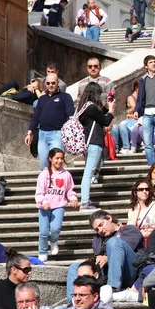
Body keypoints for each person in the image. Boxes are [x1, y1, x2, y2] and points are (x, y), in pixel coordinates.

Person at [75, 82, 115, 211]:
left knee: (89, 172)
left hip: (88, 144)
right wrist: (112, 110)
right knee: (88, 174)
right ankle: (85, 202)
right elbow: (105, 120)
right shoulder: (91, 108)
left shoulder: (84, 107)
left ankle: (86, 201)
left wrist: (107, 107)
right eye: (100, 93)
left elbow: (99, 116)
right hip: (94, 143)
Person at [34, 148, 78, 262]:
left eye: (61, 158)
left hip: (59, 205)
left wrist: (73, 198)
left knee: (55, 228)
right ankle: (43, 251)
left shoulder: (67, 175)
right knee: (43, 232)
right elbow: (39, 193)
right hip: (44, 207)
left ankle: (54, 241)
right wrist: (43, 202)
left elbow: (69, 190)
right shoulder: (43, 175)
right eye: (57, 158)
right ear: (50, 159)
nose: (59, 161)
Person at [25, 74, 74, 171]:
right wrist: (29, 133)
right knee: (44, 164)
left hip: (58, 134)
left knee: (57, 163)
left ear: (58, 83)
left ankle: (58, 184)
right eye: (48, 83)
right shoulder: (42, 99)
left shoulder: (65, 97)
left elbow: (71, 116)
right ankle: (46, 184)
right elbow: (36, 117)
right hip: (43, 135)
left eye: (53, 83)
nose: (50, 85)